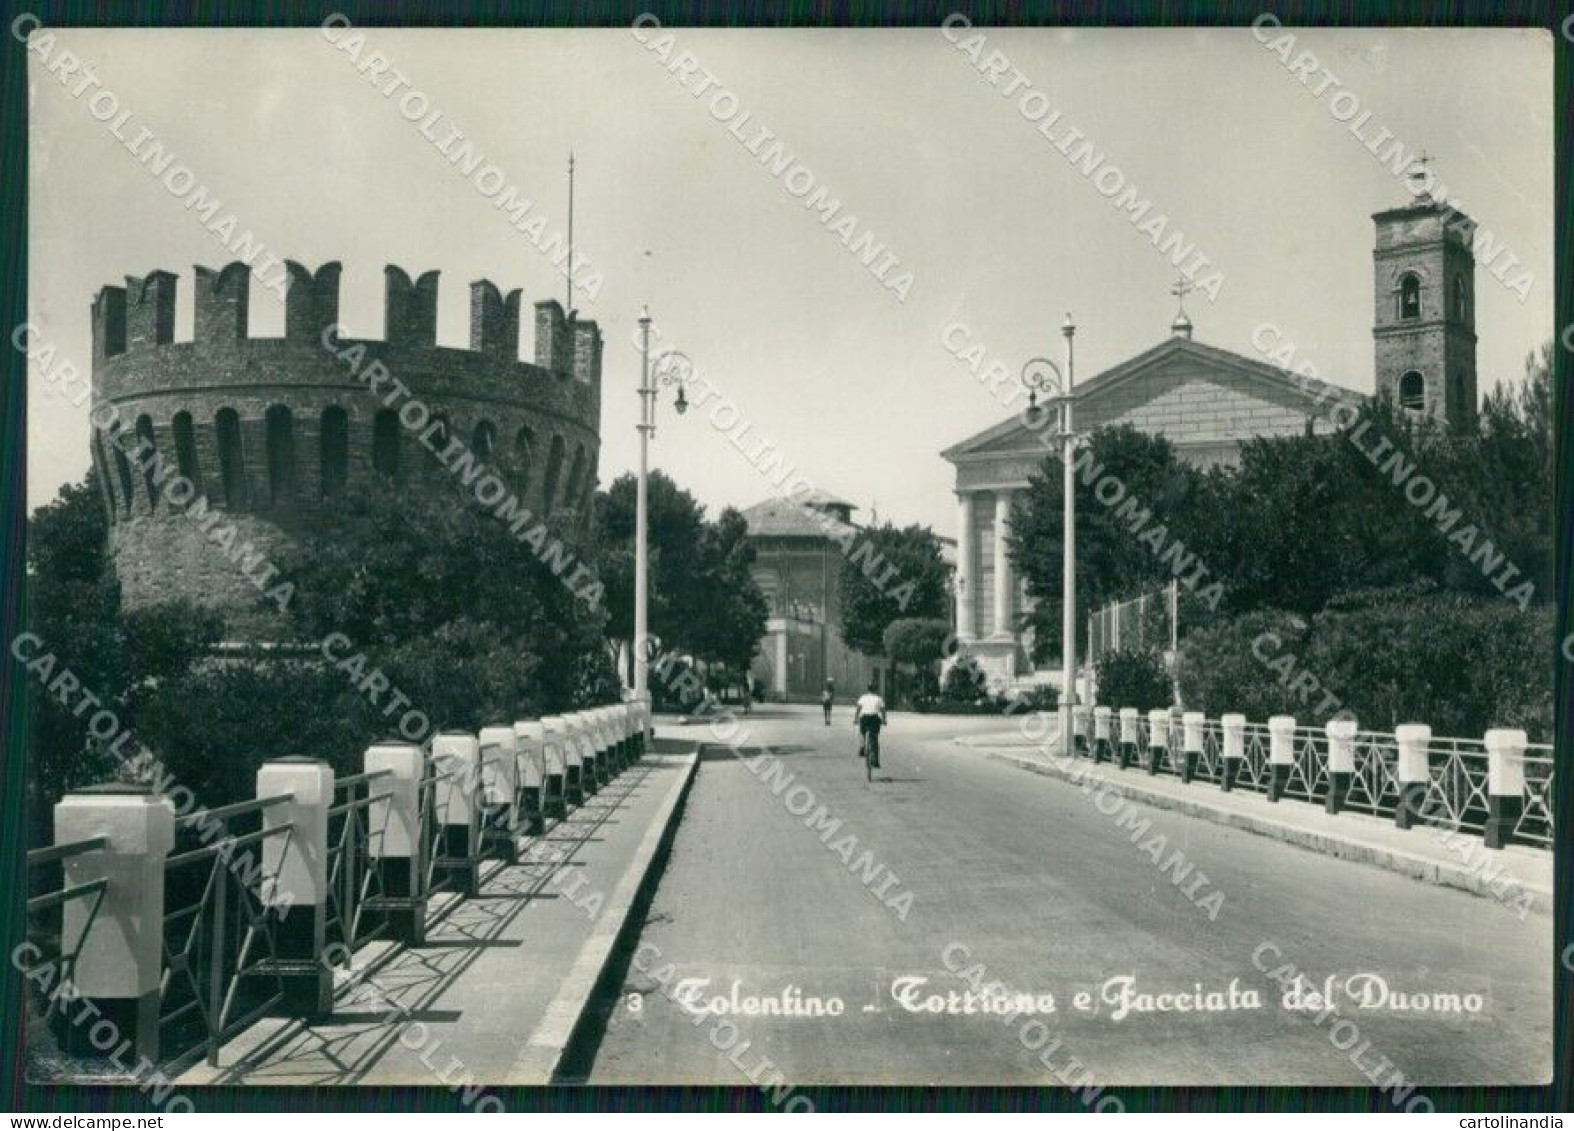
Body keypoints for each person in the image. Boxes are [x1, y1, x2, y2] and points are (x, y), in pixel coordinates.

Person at [853, 681, 887, 767]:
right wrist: (884, 720)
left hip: (864, 718)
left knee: (862, 733)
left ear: (868, 689)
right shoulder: (879, 698)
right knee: (875, 738)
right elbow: (883, 710)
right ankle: (875, 761)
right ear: (876, 689)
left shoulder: (863, 697)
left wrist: (856, 718)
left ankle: (862, 746)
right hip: (874, 719)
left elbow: (858, 708)